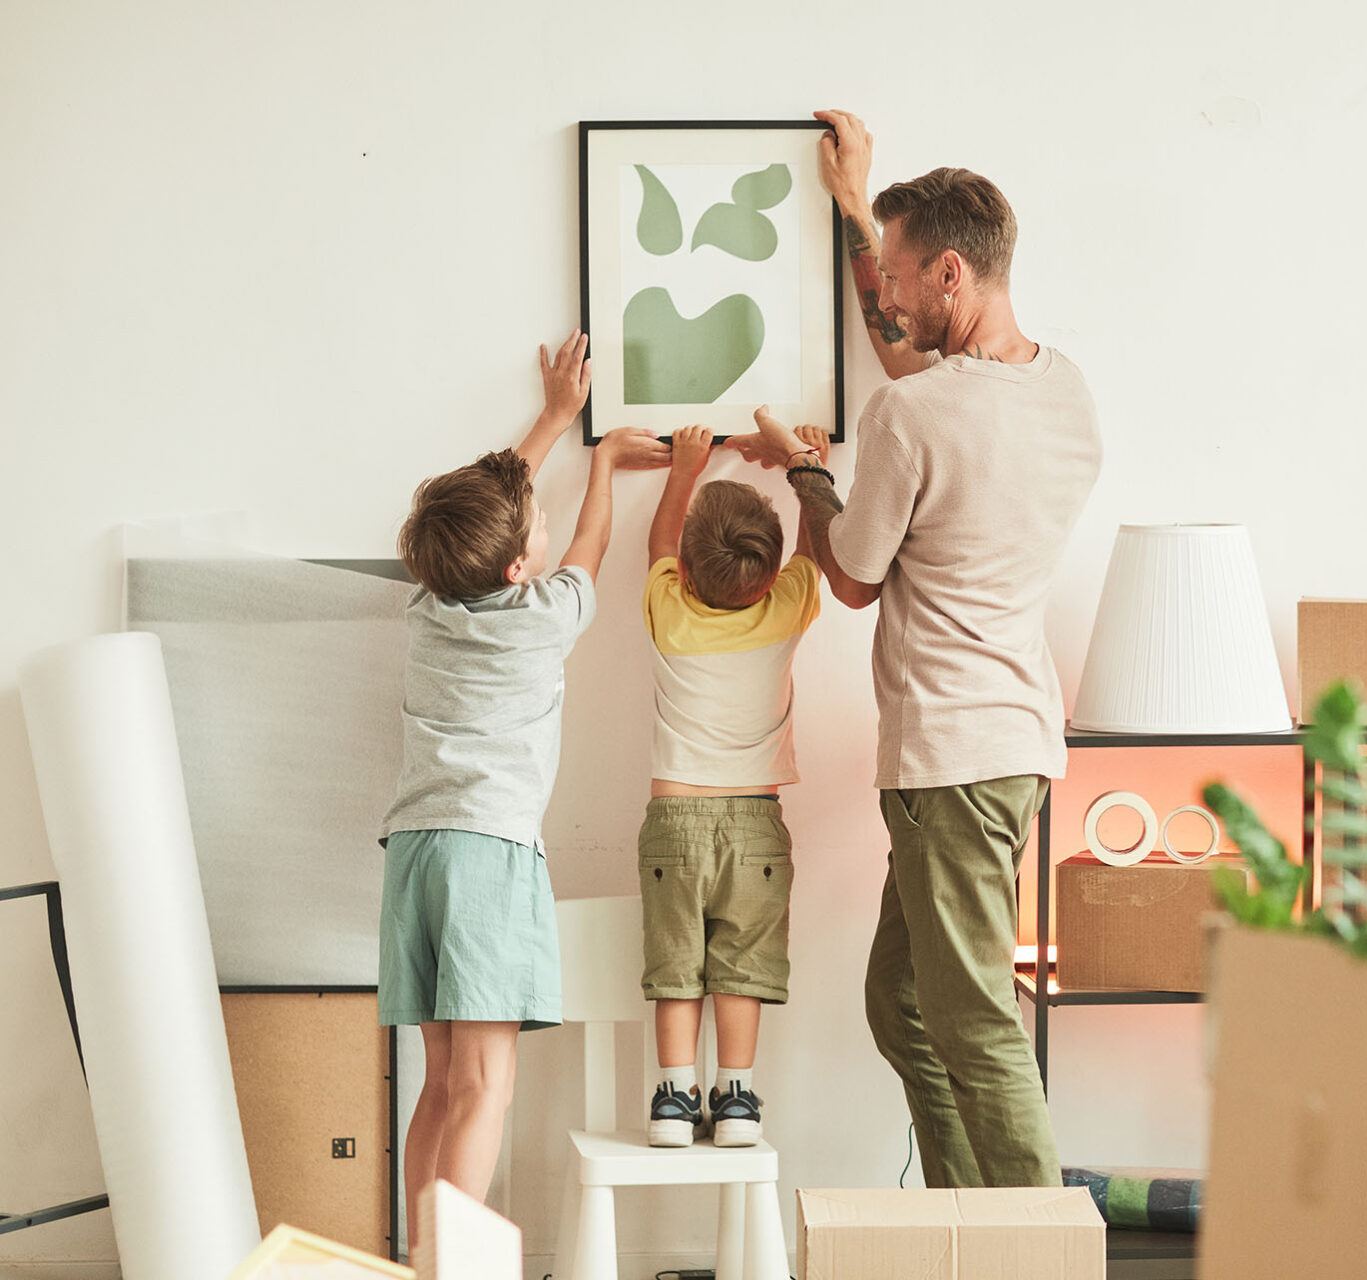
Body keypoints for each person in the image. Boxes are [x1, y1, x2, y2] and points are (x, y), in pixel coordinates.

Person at [727, 111, 1102, 1187]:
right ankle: (965, 1218)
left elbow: (851, 576)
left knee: (975, 1022)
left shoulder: (911, 417)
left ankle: (1033, 1246)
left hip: (950, 758)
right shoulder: (1065, 390)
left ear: (949, 272)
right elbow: (919, 375)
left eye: (896, 276)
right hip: (1013, 746)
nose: (885, 297)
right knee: (902, 1001)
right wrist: (856, 203)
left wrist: (805, 472)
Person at [378, 331, 666, 1241]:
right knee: (486, 1087)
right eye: (532, 522)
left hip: (413, 853)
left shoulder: (428, 606)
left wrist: (552, 418)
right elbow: (592, 541)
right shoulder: (546, 614)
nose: (543, 520)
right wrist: (603, 463)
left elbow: (493, 511)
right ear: (515, 569)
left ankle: (422, 1256)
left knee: (440, 1085)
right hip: (487, 854)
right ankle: (454, 1265)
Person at [638, 422, 832, 1147]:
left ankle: (673, 1097)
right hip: (755, 822)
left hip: (674, 819)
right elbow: (814, 552)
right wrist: (811, 470)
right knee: (741, 966)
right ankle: (738, 1099)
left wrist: (684, 469)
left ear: (687, 574)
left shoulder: (669, 611)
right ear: (769, 574)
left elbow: (659, 544)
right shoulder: (786, 608)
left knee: (676, 964)